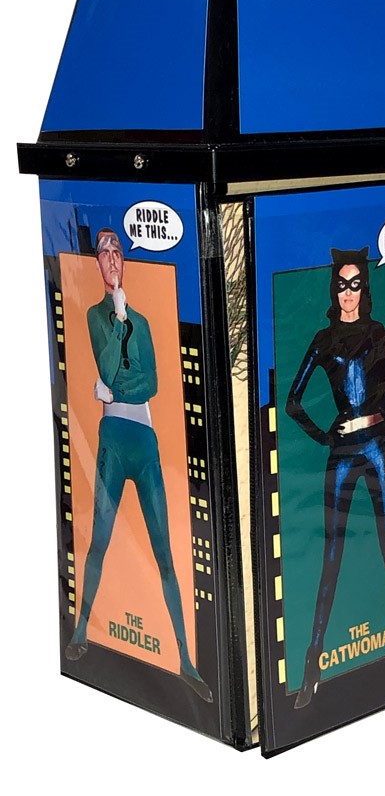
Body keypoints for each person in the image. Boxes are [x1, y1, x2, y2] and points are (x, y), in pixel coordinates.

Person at [65, 229, 212, 702]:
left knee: (165, 553)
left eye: (116, 250)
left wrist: (115, 387)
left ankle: (186, 659)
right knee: (99, 541)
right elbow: (107, 365)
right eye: (103, 251)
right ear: (97, 263)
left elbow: (152, 383)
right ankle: (81, 630)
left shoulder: (142, 322)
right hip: (113, 438)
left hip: (144, 441)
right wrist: (118, 317)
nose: (110, 257)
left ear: (124, 262)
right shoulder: (95, 316)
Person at [286, 247, 385, 710]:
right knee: (331, 555)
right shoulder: (324, 339)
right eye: (341, 285)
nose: (348, 293)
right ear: (334, 289)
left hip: (379, 447)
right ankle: (312, 665)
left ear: (365, 287)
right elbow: (293, 402)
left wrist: (375, 415)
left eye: (355, 284)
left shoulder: (384, 334)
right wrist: (326, 436)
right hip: (343, 452)